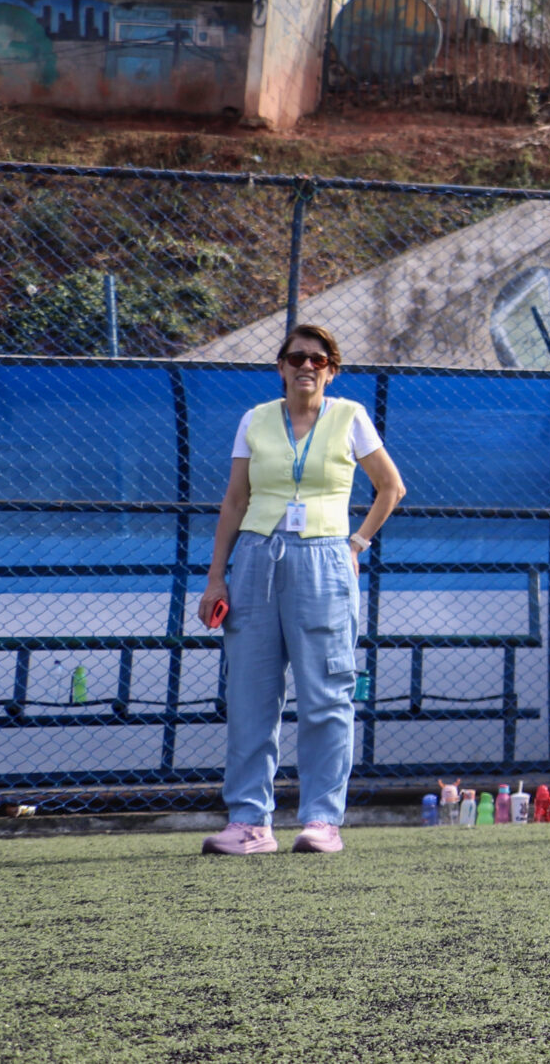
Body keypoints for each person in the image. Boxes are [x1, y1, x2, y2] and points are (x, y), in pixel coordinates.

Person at [195, 323, 406, 854]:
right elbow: (235, 501)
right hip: (256, 560)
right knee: (250, 697)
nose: (306, 367)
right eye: (296, 358)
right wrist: (217, 575)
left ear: (331, 370)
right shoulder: (255, 420)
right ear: (281, 367)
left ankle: (321, 821)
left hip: (325, 559)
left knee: (326, 694)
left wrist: (355, 544)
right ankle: (249, 822)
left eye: (318, 359)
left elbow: (391, 486)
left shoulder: (351, 417)